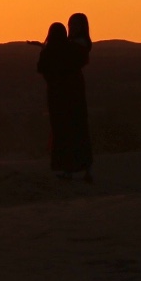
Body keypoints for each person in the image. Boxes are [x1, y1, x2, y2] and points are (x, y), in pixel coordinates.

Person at [36, 13, 93, 181]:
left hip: (64, 95)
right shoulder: (72, 47)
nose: (71, 28)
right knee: (74, 130)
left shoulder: (75, 47)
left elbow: (48, 66)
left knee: (67, 130)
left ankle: (70, 168)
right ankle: (80, 168)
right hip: (71, 94)